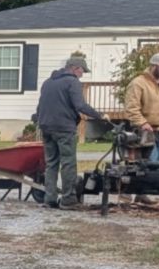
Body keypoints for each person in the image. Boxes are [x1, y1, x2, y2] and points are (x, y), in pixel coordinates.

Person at [34, 54, 106, 209]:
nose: (82, 74)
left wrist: (39, 121)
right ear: (75, 68)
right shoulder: (72, 82)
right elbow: (80, 105)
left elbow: (40, 107)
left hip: (46, 127)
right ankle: (68, 200)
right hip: (64, 128)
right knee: (68, 163)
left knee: (51, 164)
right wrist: (100, 115)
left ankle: (49, 199)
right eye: (82, 71)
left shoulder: (47, 82)